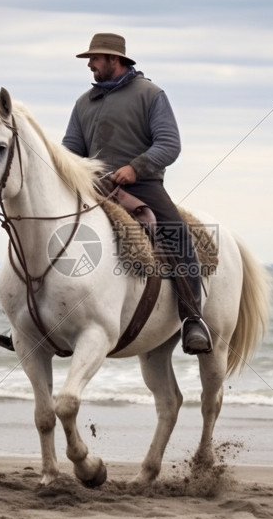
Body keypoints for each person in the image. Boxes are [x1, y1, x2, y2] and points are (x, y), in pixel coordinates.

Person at [61, 32, 212, 355]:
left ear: (114, 60)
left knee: (175, 233)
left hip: (141, 184)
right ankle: (35, 322)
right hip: (93, 186)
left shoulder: (150, 94)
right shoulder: (83, 103)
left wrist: (136, 167)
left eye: (95, 59)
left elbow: (169, 144)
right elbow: (70, 150)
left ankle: (193, 320)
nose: (90, 65)